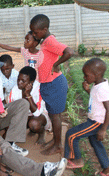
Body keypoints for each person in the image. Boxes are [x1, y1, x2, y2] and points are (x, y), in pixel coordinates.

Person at [30, 14, 74, 155]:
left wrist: (56, 64)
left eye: (36, 32)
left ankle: (58, 145)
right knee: (54, 115)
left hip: (54, 84)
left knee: (55, 116)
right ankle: (56, 140)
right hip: (49, 84)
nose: (34, 35)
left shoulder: (49, 41)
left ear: (45, 29)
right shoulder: (45, 41)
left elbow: (69, 52)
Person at [64, 58, 109, 176]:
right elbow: (97, 98)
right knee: (95, 142)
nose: (84, 78)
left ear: (96, 75)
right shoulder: (98, 84)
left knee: (71, 135)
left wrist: (103, 129)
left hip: (98, 123)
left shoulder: (102, 89)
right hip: (96, 121)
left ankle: (76, 160)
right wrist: (87, 90)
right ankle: (107, 169)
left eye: (86, 75)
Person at [8, 66, 52, 145]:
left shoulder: (39, 89)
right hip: (24, 115)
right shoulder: (15, 89)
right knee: (10, 121)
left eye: (23, 81)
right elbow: (11, 109)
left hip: (39, 116)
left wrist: (28, 94)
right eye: (18, 79)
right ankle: (30, 130)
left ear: (31, 82)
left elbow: (37, 113)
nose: (19, 83)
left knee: (34, 124)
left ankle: (41, 134)